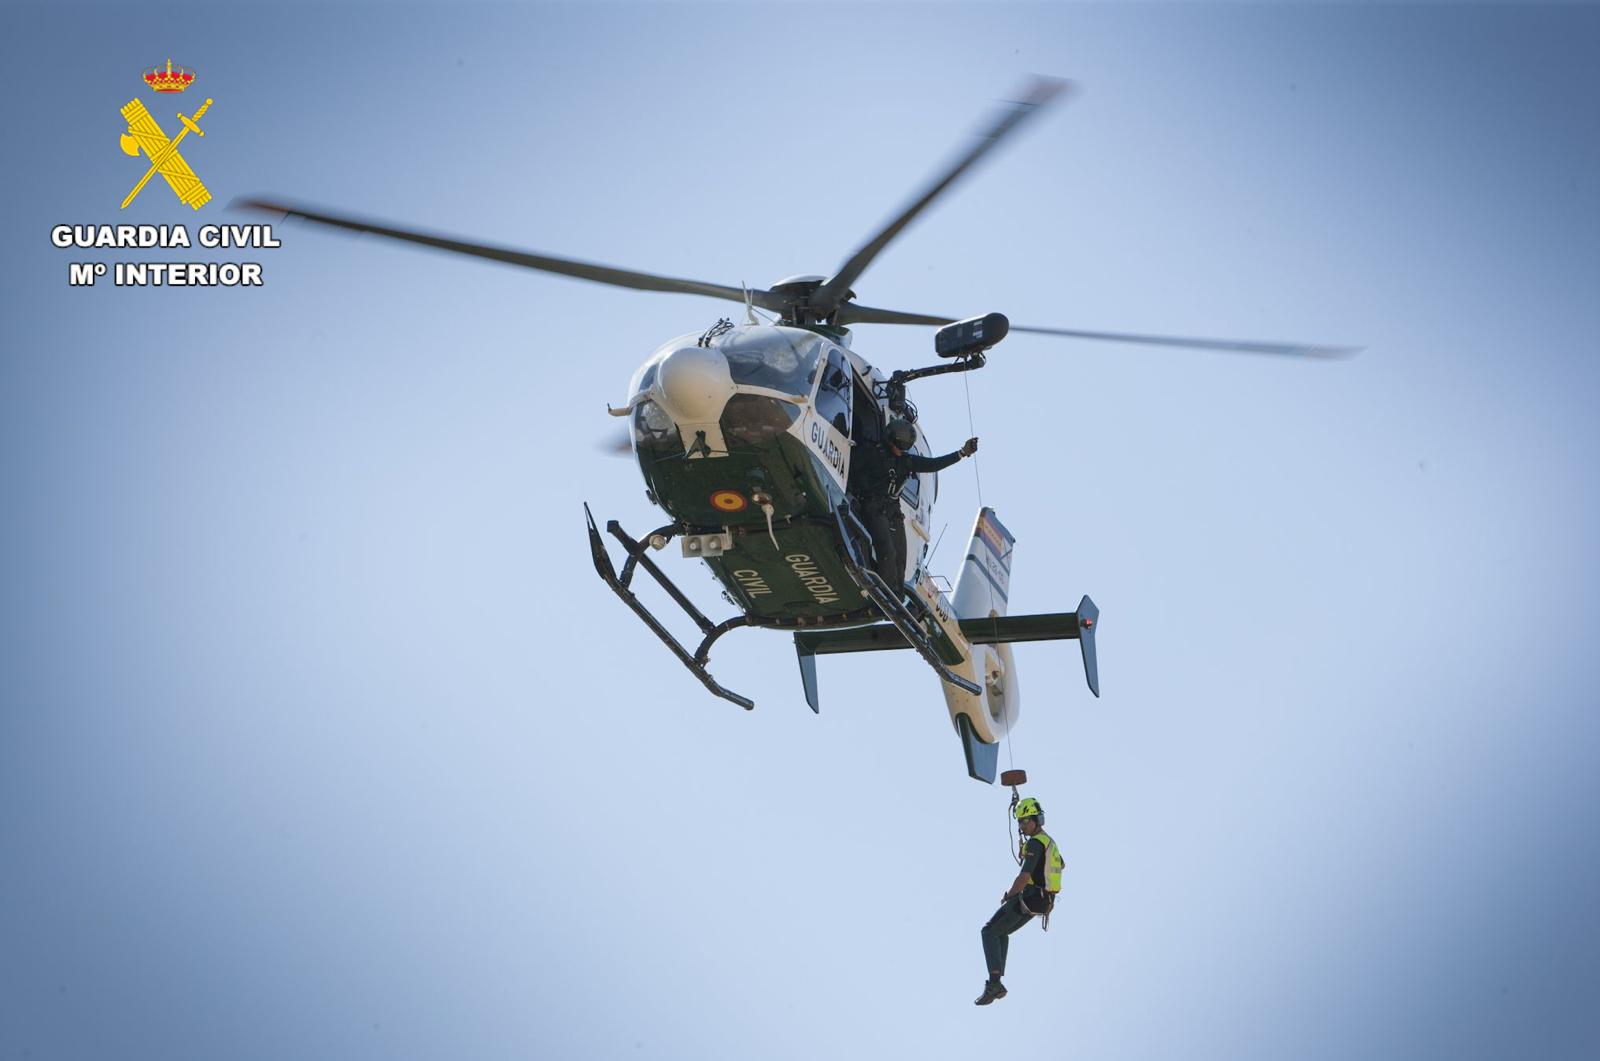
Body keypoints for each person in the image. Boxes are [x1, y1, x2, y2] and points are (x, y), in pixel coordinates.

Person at [847, 418, 977, 593]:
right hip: (873, 506)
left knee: (900, 557)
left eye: (904, 449)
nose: (901, 452)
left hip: (892, 510)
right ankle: (883, 591)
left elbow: (933, 465)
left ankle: (896, 595)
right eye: (899, 447)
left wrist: (961, 453)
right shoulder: (871, 453)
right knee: (887, 551)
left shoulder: (906, 461)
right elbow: (854, 469)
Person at [975, 796, 1063, 1005]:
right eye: (1019, 823)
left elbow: (1023, 877)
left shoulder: (1035, 842)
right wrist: (1031, 856)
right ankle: (997, 982)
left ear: (1036, 820)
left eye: (1025, 821)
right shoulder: (1048, 842)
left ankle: (994, 983)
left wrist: (1010, 895)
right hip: (1044, 901)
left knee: (988, 931)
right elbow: (1061, 865)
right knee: (1000, 932)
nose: (1022, 826)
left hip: (1033, 896)